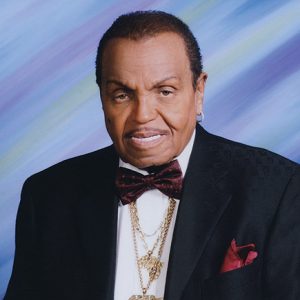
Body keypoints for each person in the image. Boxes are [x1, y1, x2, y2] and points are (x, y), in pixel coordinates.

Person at [4, 10, 300, 300]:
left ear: (198, 92)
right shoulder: (47, 196)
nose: (142, 115)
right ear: (103, 99)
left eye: (165, 91)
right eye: (122, 94)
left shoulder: (277, 189)